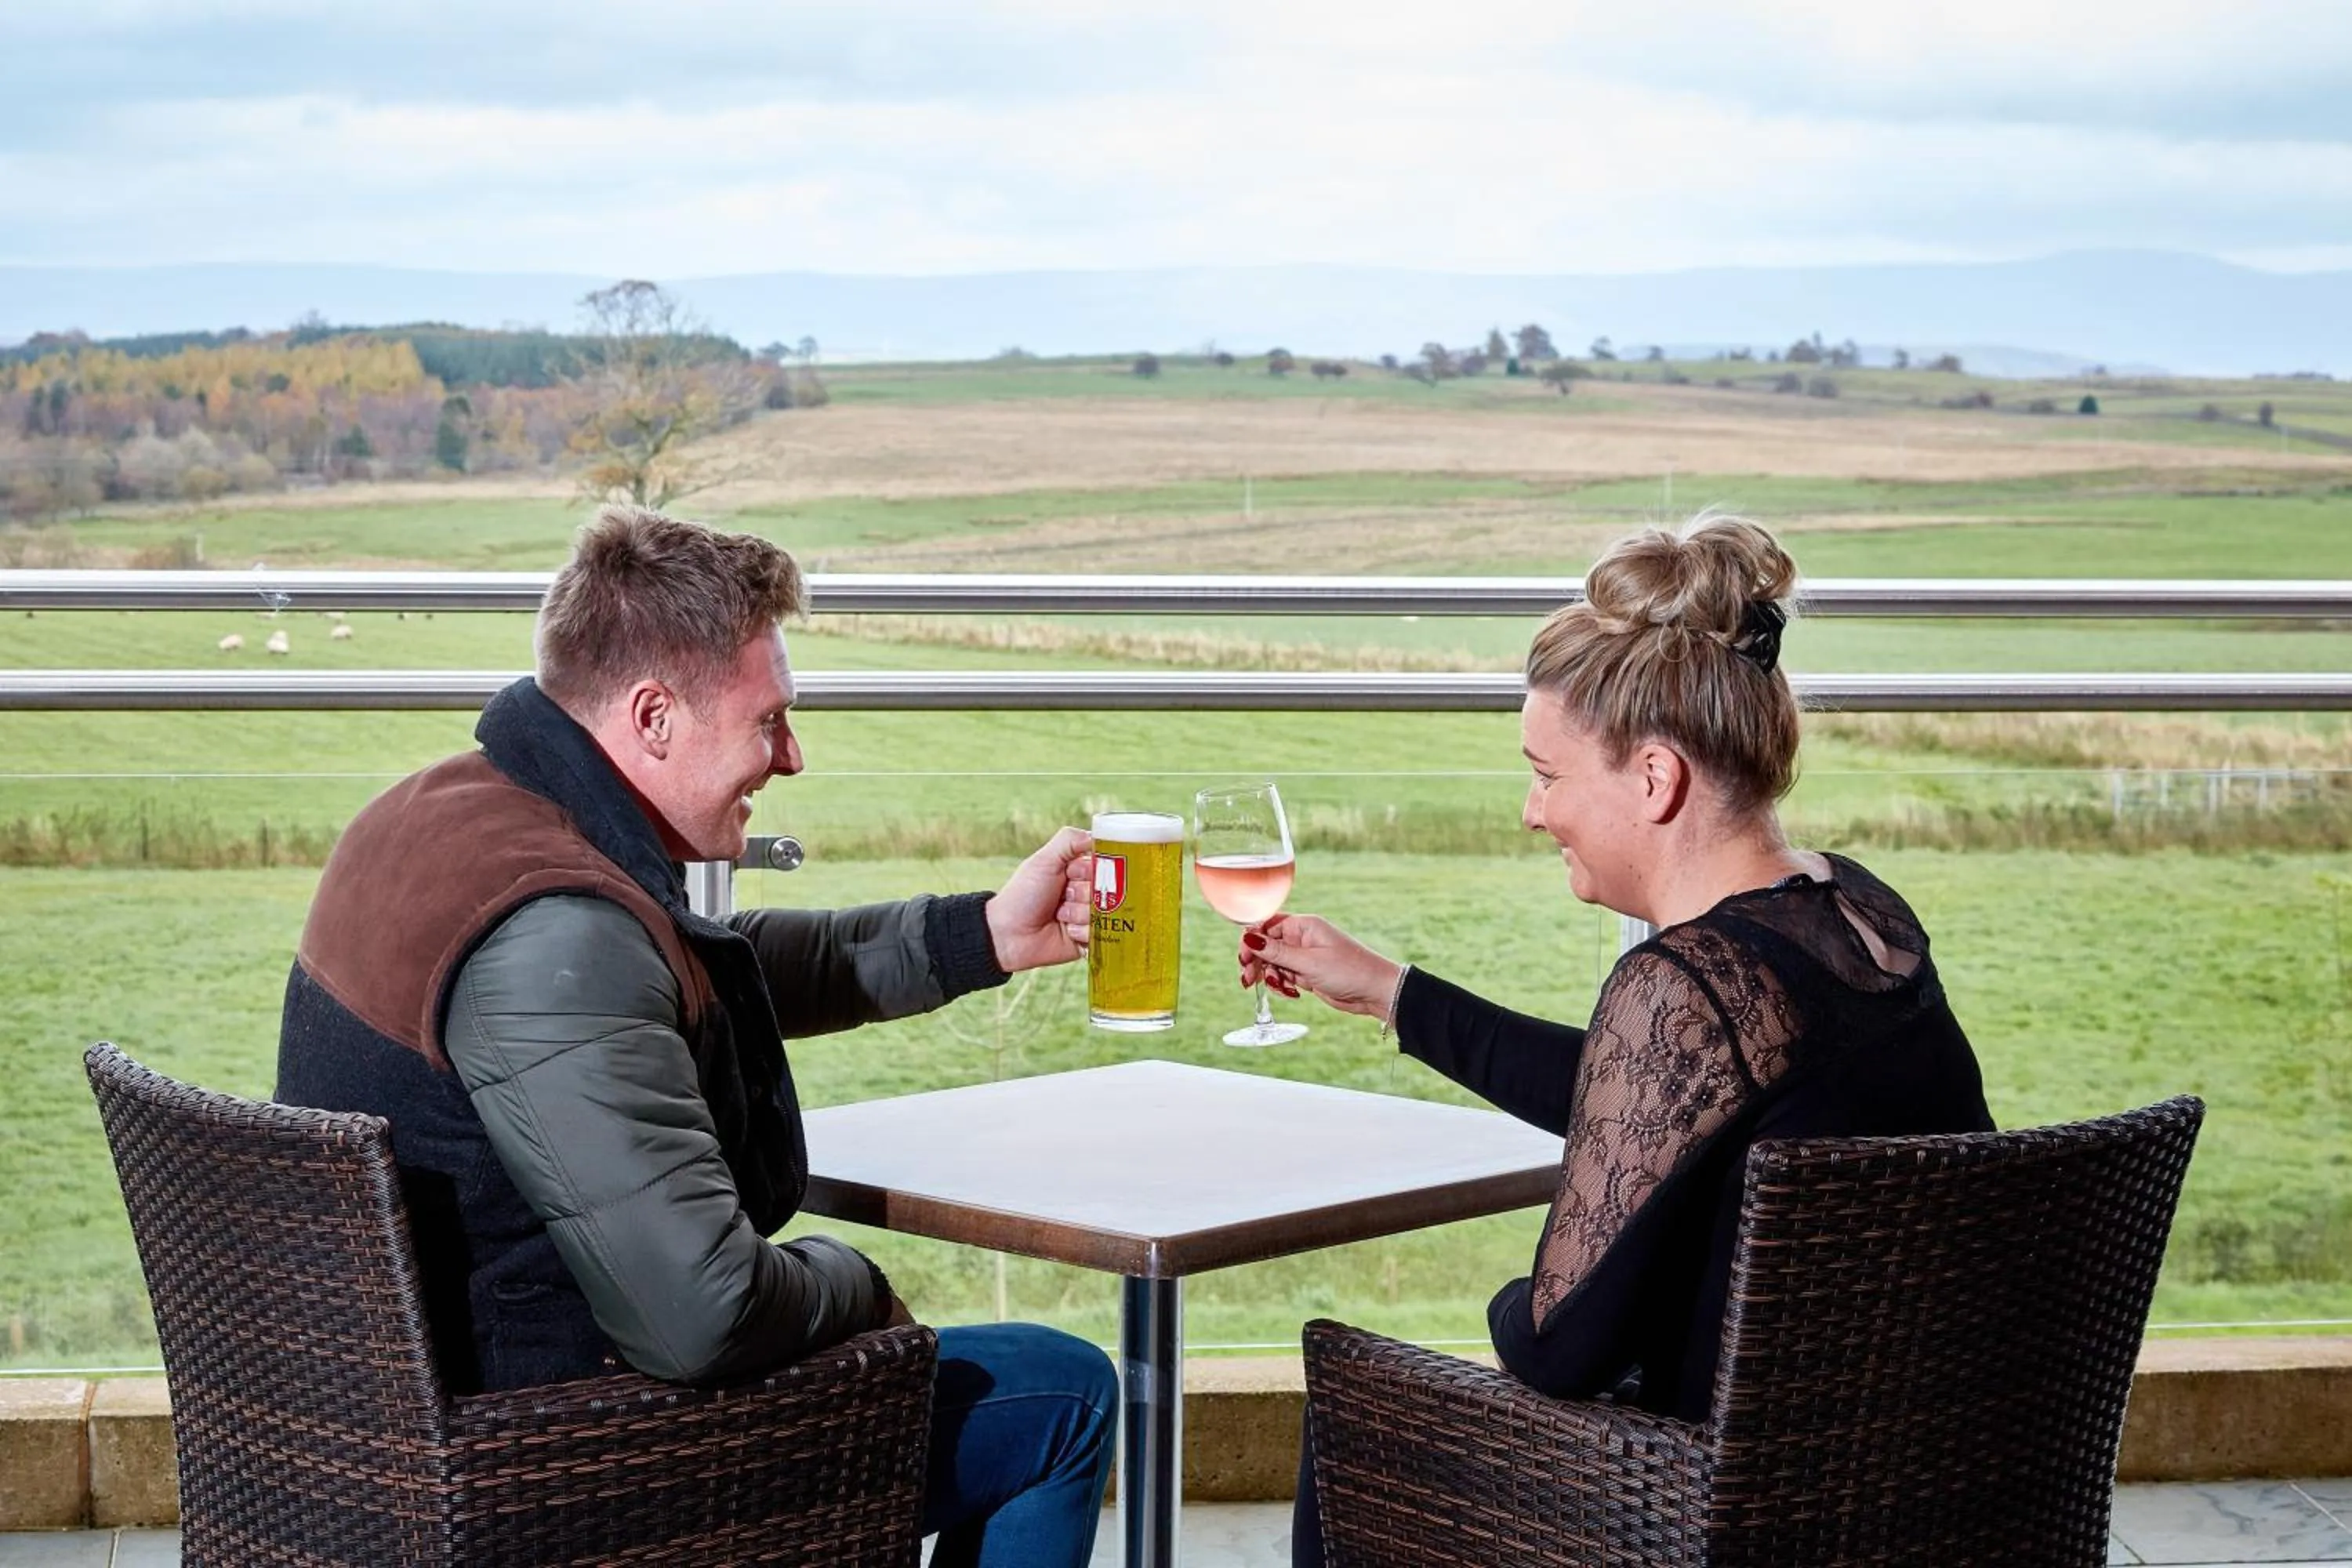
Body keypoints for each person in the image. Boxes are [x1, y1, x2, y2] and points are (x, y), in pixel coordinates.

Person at [276, 504, 1116, 1568]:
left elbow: (700, 969)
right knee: (1061, 1394)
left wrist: (982, 935)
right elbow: (703, 1317)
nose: (792, 758)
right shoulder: (557, 939)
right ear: (653, 716)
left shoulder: (447, 815)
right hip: (557, 1474)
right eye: (769, 721)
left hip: (402, 1448)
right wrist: (856, 1284)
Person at [1243, 514, 1995, 1566]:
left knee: (1358, 1422)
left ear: (1654, 778)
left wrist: (1508, 1303)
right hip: (1923, 1482)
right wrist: (1393, 994)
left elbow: (1561, 1349)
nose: (1530, 811)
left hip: (1707, 1512)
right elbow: (1658, 1097)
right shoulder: (1864, 918)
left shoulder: (1682, 985)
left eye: (1547, 774)